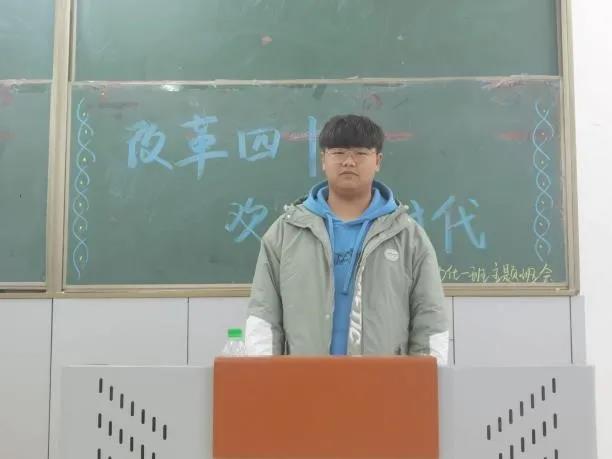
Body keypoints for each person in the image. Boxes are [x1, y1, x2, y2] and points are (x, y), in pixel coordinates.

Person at [245, 114, 449, 363]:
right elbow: (263, 317)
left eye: (361, 153)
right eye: (339, 152)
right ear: (323, 159)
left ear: (378, 161)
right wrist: (263, 378)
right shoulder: (286, 232)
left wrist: (422, 381)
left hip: (383, 383)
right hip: (304, 381)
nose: (349, 162)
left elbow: (430, 320)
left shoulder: (408, 236)